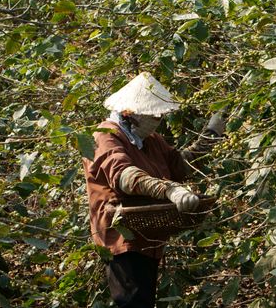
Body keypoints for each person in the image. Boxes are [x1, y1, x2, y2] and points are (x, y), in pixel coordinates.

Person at [82, 72, 225, 308]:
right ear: (131, 114)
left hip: (148, 236)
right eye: (153, 114)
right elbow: (124, 176)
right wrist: (170, 190)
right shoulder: (105, 136)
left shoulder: (150, 139)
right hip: (122, 237)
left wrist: (211, 136)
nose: (157, 119)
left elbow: (179, 164)